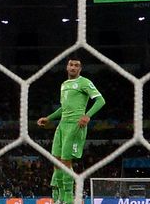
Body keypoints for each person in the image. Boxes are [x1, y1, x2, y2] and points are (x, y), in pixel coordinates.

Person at [37, 59, 105, 204]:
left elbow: (100, 100)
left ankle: (69, 197)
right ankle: (61, 196)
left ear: (80, 69)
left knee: (65, 161)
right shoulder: (64, 85)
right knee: (56, 160)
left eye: (76, 65)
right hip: (62, 125)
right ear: (67, 67)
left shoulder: (84, 82)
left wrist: (87, 115)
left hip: (75, 125)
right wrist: (49, 118)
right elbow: (64, 108)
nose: (73, 67)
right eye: (70, 65)